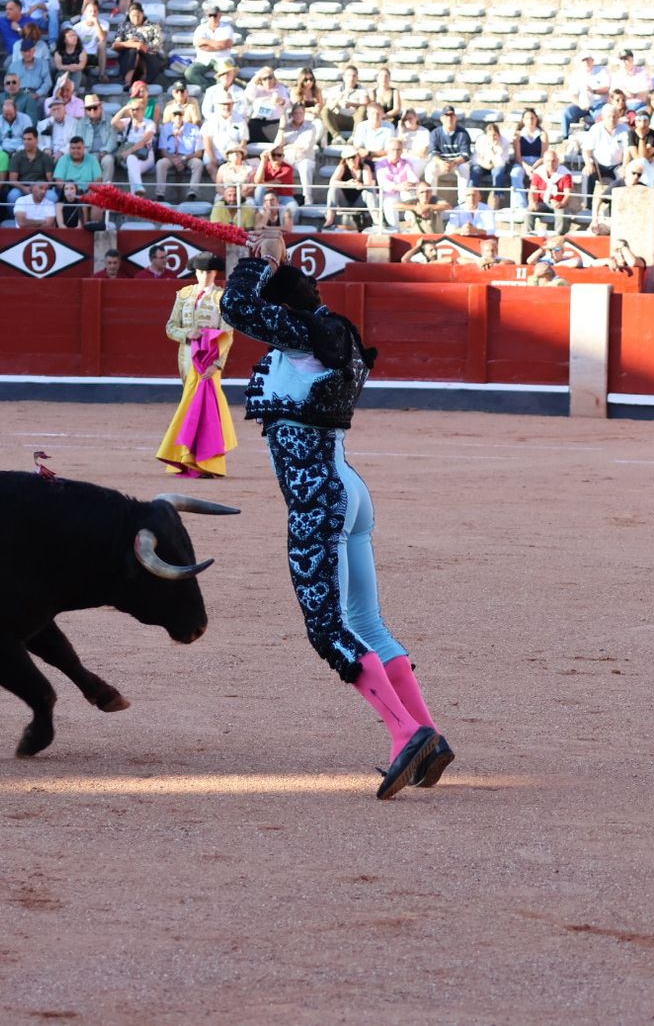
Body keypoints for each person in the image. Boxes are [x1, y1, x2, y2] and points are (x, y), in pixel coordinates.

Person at [219, 228, 453, 800]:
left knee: (329, 629)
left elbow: (236, 307)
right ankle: (430, 734)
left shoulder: (303, 338)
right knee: (366, 622)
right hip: (347, 487)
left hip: (318, 497)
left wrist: (257, 261)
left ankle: (405, 732)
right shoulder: (330, 336)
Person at [157, 251, 236, 479]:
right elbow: (170, 327)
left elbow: (228, 334)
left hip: (209, 363)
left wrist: (217, 365)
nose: (205, 276)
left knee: (206, 408)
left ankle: (202, 462)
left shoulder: (222, 297)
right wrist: (187, 333)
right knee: (191, 407)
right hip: (186, 360)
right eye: (201, 271)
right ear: (196, 272)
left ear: (215, 273)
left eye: (210, 271)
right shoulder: (183, 295)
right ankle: (188, 458)